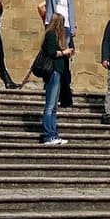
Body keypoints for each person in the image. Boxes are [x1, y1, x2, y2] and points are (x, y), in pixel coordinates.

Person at [33, 18, 75, 147]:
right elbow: (51, 52)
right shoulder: (51, 34)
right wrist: (64, 52)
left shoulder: (56, 36)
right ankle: (48, 135)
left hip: (58, 71)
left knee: (54, 107)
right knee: (50, 106)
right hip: (53, 71)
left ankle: (53, 134)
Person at [39, 0, 76, 107]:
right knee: (53, 56)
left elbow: (71, 8)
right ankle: (51, 85)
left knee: (64, 60)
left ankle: (64, 93)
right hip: (54, 24)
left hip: (65, 27)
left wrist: (73, 26)